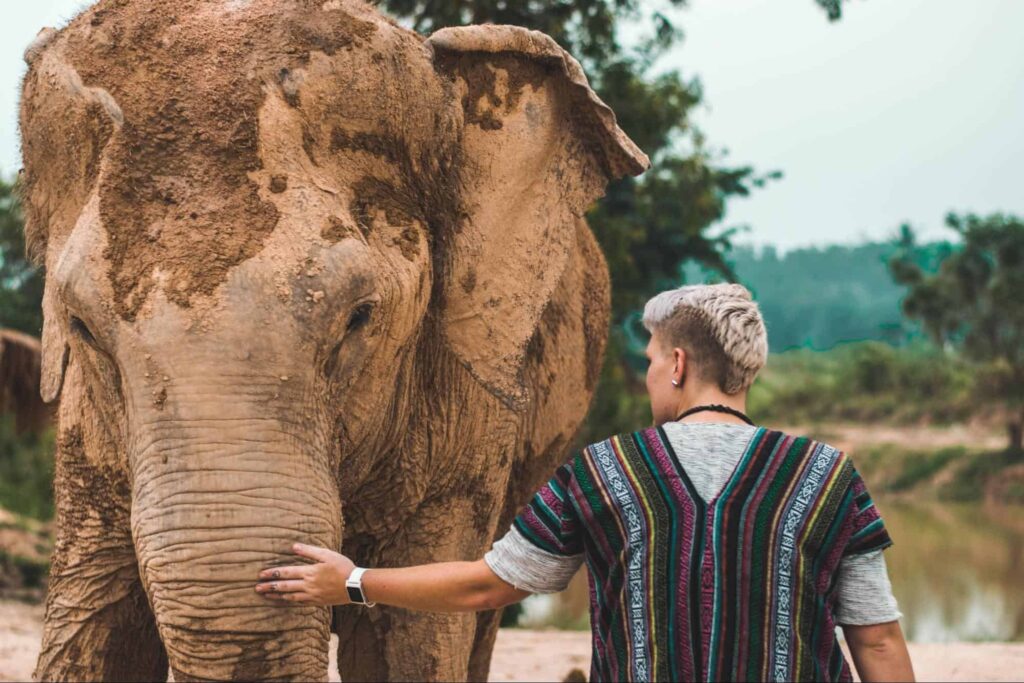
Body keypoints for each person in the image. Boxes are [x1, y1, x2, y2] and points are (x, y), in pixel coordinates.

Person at [255, 283, 915, 682]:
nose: (650, 372)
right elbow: (878, 638)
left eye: (653, 358)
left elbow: (489, 583)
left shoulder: (604, 471)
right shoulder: (830, 477)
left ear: (679, 363)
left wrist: (350, 580)